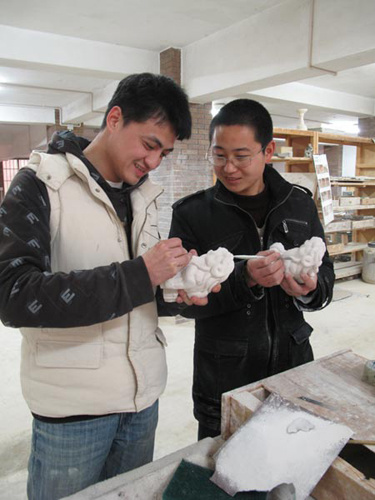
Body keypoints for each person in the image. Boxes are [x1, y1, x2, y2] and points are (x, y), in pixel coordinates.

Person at [0, 73, 198, 500]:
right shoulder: (38, 184)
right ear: (114, 118)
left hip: (142, 401)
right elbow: (13, 295)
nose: (155, 162)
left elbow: (134, 295)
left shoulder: (142, 194)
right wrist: (142, 274)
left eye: (164, 151)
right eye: (149, 144)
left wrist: (174, 291)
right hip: (74, 412)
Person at [168, 99, 335, 440]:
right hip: (225, 378)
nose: (228, 167)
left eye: (241, 156)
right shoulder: (193, 214)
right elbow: (182, 303)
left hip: (294, 368)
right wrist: (245, 281)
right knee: (225, 480)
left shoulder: (300, 203)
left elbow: (326, 279)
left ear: (268, 150)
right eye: (219, 155)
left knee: (292, 478)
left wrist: (309, 291)